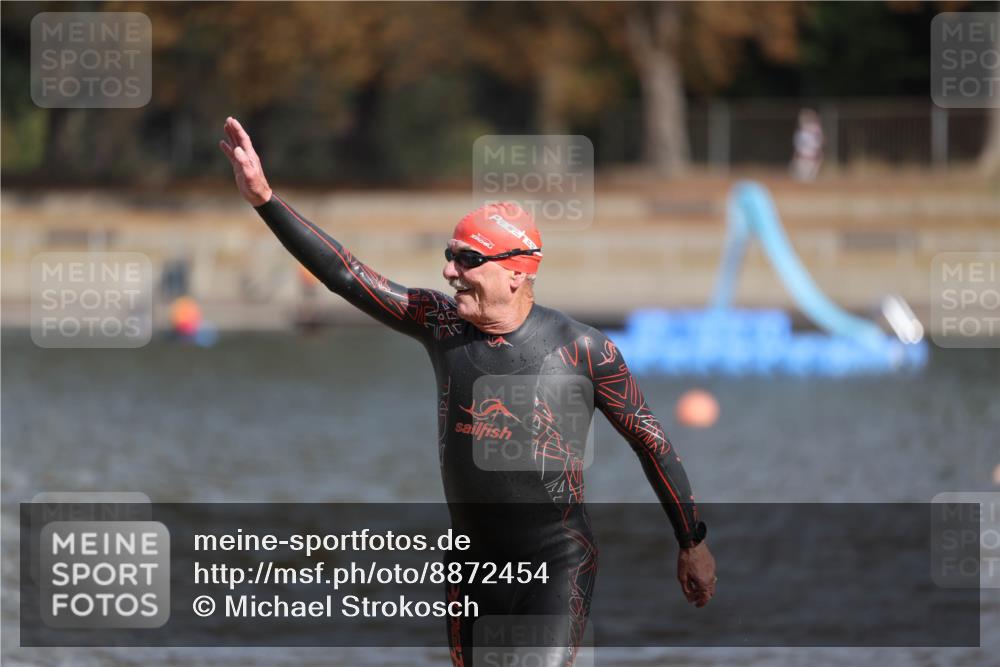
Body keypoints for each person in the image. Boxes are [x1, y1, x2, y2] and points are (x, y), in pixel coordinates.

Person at [219, 116, 716, 665]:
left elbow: (652, 443)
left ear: (516, 273)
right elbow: (346, 275)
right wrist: (265, 198)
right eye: (450, 255)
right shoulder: (440, 325)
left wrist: (690, 541)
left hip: (556, 563)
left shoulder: (583, 350)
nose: (449, 271)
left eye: (467, 259)